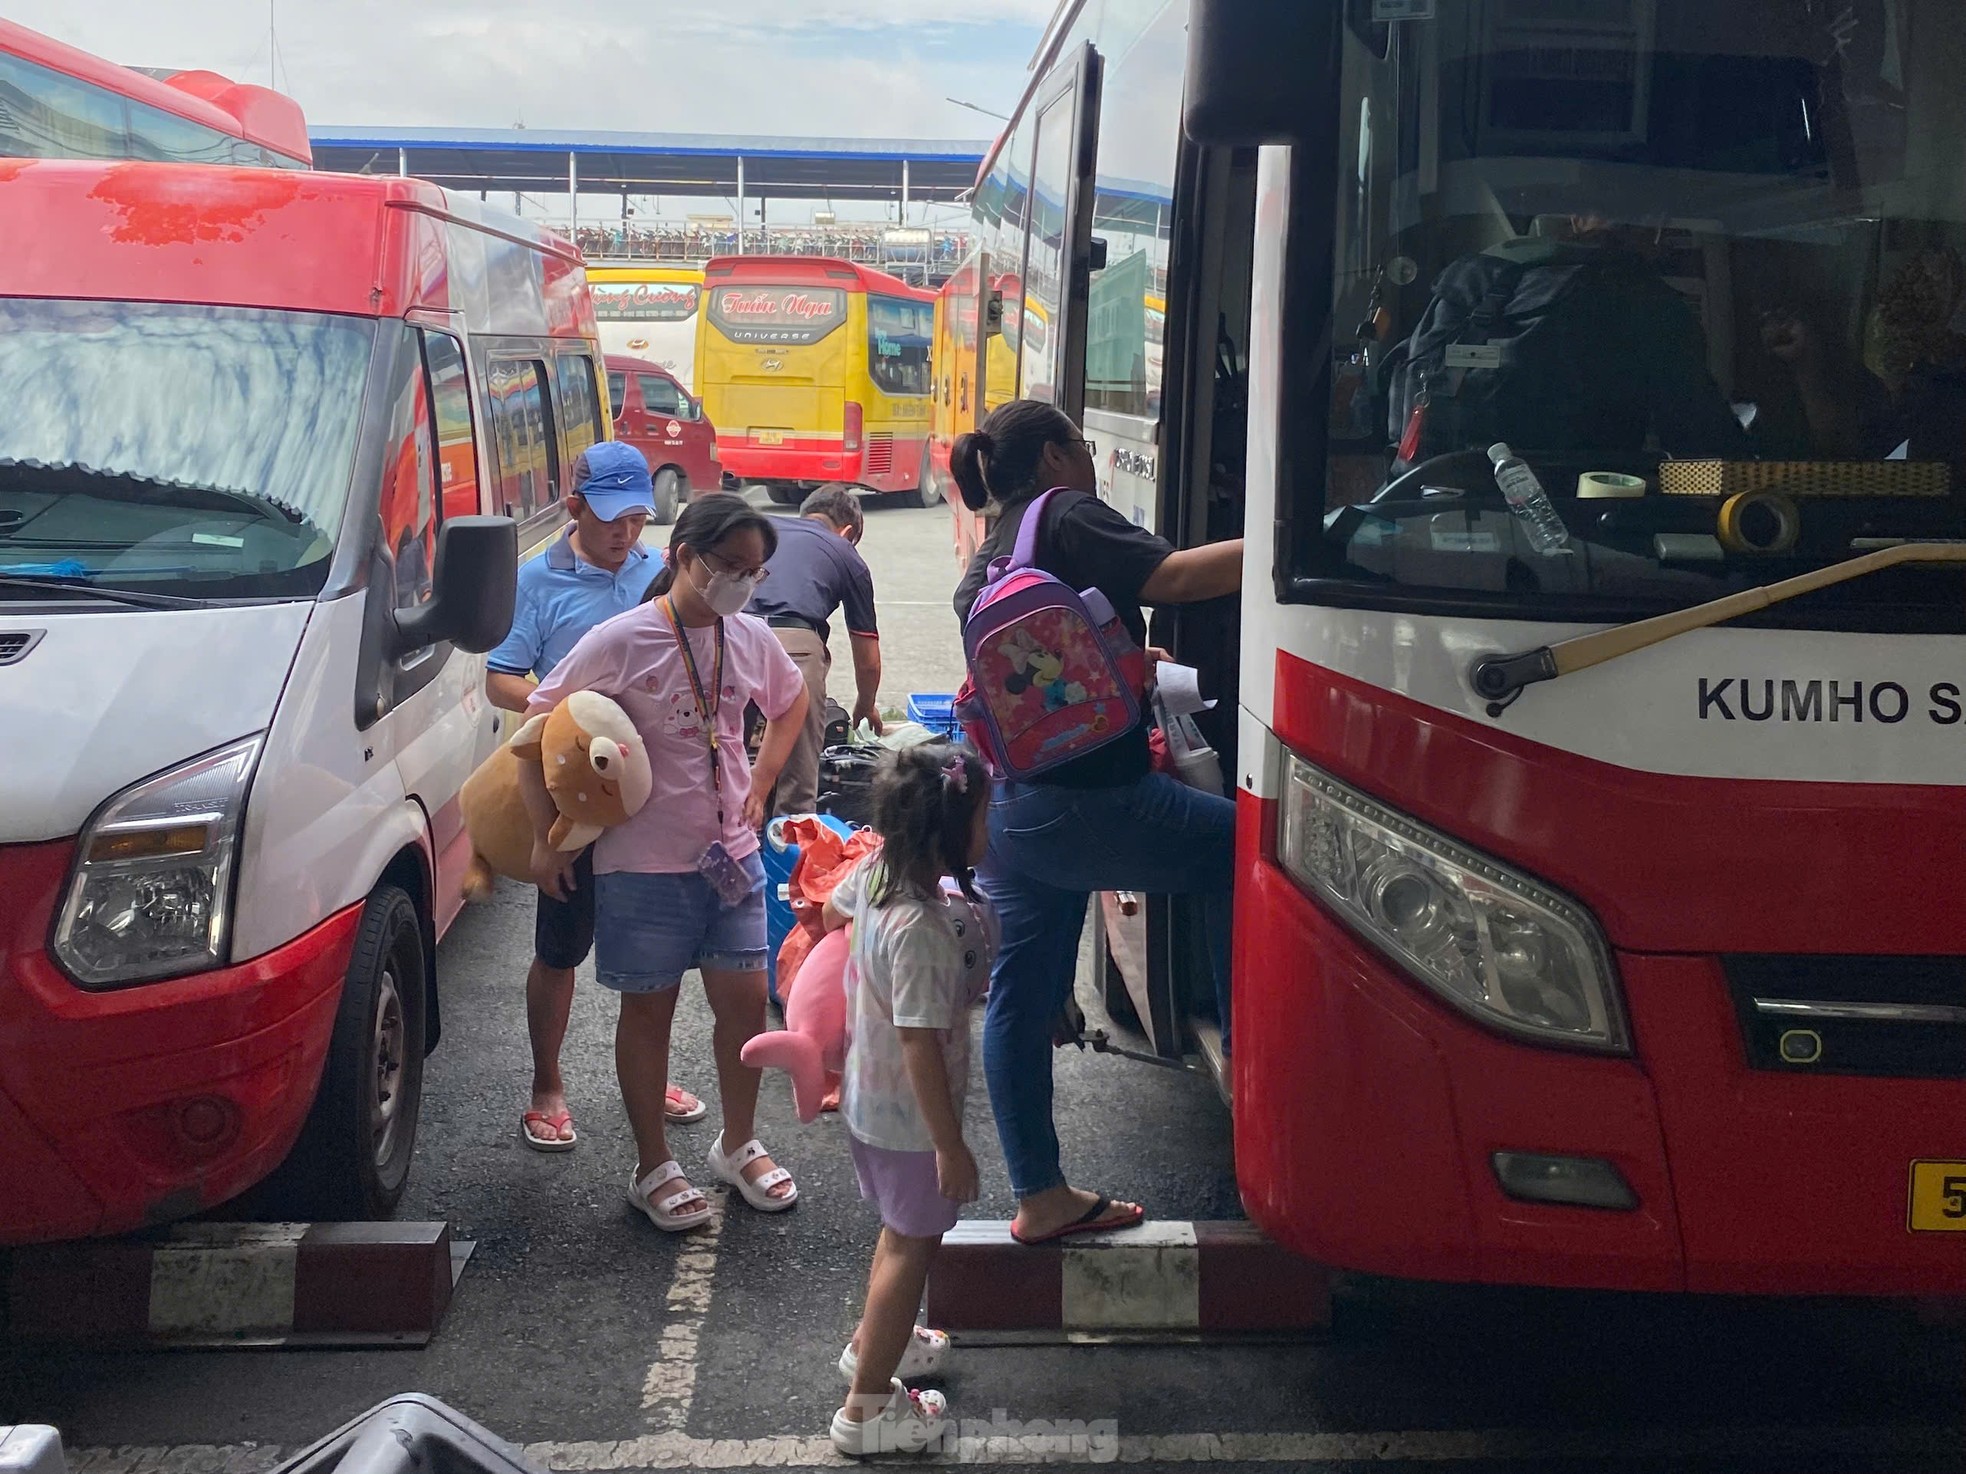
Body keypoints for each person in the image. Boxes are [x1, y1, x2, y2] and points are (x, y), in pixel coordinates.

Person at [950, 400, 1243, 1246]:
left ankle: (1039, 1194)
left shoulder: (993, 549)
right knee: (1241, 850)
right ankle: (1253, 1075)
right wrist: (1285, 545)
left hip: (1014, 808)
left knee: (1022, 996)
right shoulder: (1069, 511)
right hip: (1099, 800)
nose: (1089, 460)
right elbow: (1177, 577)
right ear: (1052, 456)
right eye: (1081, 445)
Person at [520, 494, 810, 1230]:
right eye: (729, 567)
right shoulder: (621, 640)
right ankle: (652, 1166)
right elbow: (536, 728)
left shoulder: (750, 638)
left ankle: (737, 1145)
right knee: (649, 1012)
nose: (743, 584)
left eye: (754, 571)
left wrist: (764, 782)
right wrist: (542, 836)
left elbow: (791, 701)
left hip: (732, 860)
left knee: (743, 1009)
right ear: (684, 556)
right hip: (642, 864)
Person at [484, 442, 705, 1151]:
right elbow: (502, 679)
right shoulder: (535, 579)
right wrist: (574, 710)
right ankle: (547, 1086)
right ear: (574, 506)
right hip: (574, 796)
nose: (626, 535)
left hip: (650, 797)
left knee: (653, 950)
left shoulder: (661, 571)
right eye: (613, 519)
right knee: (560, 947)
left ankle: (651, 1074)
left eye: (639, 519)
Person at [821, 743, 994, 1457]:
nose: (992, 828)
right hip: (911, 1124)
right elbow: (922, 1045)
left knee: (897, 1235)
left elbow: (831, 913)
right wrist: (949, 1145)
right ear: (951, 835)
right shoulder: (924, 932)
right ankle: (866, 1412)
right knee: (909, 1247)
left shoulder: (876, 873)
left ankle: (875, 1344)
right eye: (985, 816)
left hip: (870, 1099)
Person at [747, 484, 882, 817]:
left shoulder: (763, 527)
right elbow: (867, 661)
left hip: (733, 635)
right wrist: (865, 706)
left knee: (725, 756)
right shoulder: (844, 551)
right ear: (848, 531)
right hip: (795, 647)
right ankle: (786, 857)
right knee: (798, 781)